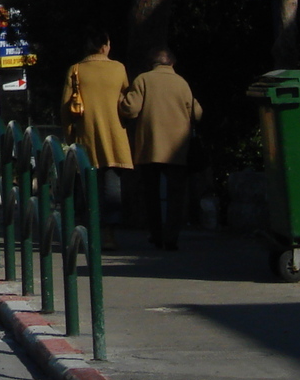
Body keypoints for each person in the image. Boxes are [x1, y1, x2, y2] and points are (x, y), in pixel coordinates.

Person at [121, 48, 203, 250]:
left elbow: (130, 110)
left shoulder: (143, 80)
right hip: (177, 149)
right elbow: (197, 114)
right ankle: (171, 236)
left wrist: (120, 99)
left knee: (151, 194)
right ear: (172, 64)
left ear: (152, 64)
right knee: (176, 195)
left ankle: (156, 234)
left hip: (149, 147)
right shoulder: (182, 83)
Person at [61, 30, 132, 249]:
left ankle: (89, 233)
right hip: (114, 137)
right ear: (104, 46)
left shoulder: (76, 70)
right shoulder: (119, 68)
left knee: (88, 188)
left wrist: (69, 135)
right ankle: (110, 235)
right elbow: (126, 100)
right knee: (112, 189)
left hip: (86, 136)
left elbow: (66, 107)